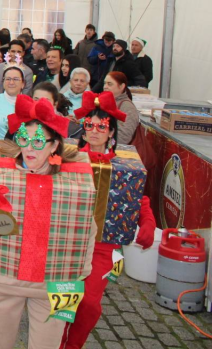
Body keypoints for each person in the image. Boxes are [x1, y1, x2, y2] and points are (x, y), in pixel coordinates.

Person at [0, 97, 96, 349]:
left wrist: (83, 267)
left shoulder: (74, 184)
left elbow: (86, 227)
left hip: (57, 283)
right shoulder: (2, 176)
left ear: (54, 145)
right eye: (23, 139)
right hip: (4, 279)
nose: (29, 148)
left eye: (38, 141)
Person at [61, 91, 155, 349]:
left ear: (112, 132)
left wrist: (147, 222)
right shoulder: (67, 159)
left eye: (101, 126)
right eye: (89, 125)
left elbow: (138, 197)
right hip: (67, 244)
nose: (94, 131)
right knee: (64, 302)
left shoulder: (125, 165)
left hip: (104, 246)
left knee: (89, 304)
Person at [104, 71, 140, 145]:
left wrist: (103, 144)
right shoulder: (105, 102)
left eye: (109, 84)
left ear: (121, 86)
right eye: (104, 83)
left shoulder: (127, 107)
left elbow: (124, 137)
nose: (105, 87)